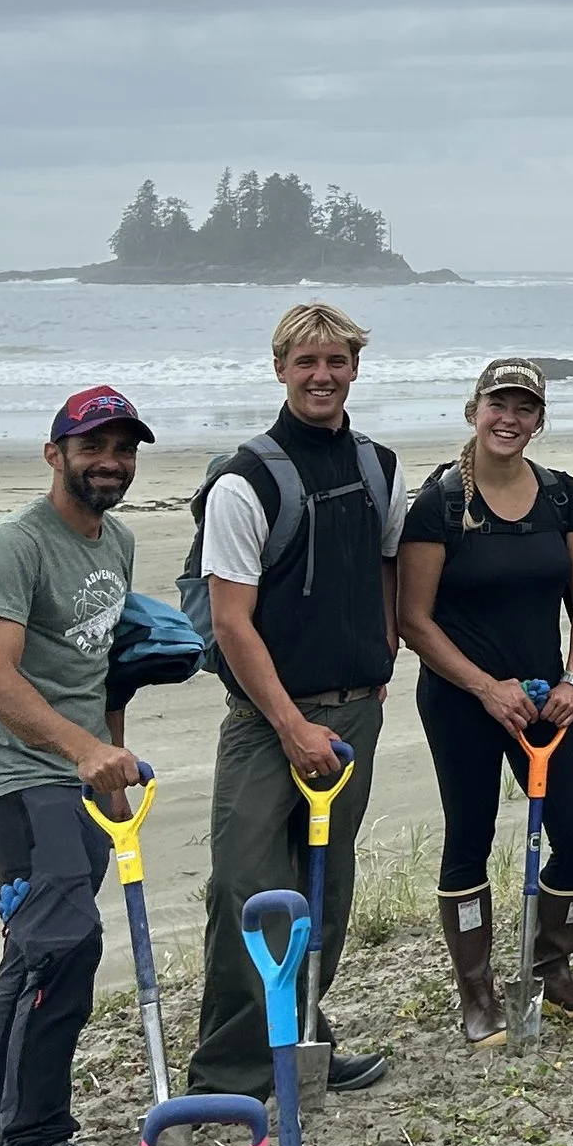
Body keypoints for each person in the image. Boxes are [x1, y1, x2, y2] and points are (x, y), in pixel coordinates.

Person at [186, 302, 405, 1098]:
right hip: (265, 719)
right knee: (248, 887)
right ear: (280, 368)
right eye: (305, 361)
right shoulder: (244, 480)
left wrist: (381, 649)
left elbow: (388, 565)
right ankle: (234, 1069)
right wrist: (289, 723)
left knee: (327, 886)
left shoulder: (381, 465)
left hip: (353, 713)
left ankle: (307, 1039)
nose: (322, 375)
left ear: (354, 368)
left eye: (336, 361)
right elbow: (231, 621)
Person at [0, 388, 151, 1146]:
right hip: (19, 774)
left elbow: (97, 667)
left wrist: (113, 750)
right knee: (64, 948)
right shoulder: (14, 543)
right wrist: (82, 751)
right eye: (92, 444)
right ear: (54, 452)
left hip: (78, 777)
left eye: (123, 447)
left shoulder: (120, 540)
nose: (109, 460)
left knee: (32, 951)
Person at [398, 358, 573, 1045]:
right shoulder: (438, 503)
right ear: (474, 410)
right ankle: (478, 992)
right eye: (498, 404)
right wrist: (484, 688)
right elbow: (414, 618)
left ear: (539, 419)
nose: (509, 418)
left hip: (545, 701)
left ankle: (550, 970)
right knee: (470, 837)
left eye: (524, 408)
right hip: (463, 697)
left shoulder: (562, 497)